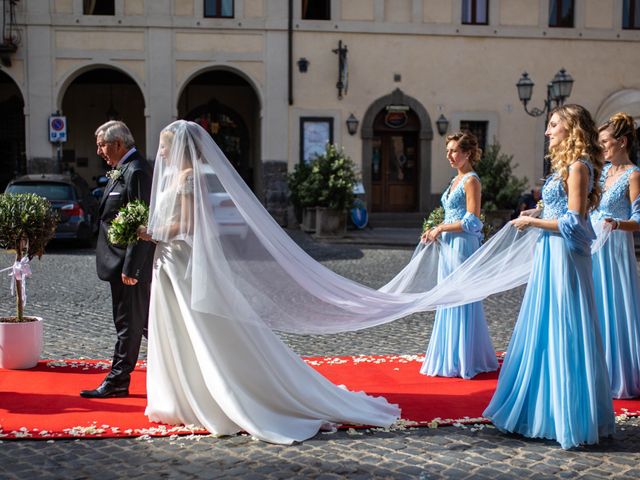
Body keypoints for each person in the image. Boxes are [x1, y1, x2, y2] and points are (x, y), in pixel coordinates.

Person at [138, 121, 400, 444]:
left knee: (197, 328)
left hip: (180, 260)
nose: (161, 151)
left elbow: (191, 223)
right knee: (176, 327)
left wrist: (155, 232)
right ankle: (181, 396)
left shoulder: (190, 178)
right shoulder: (173, 178)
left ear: (180, 147)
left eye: (165, 145)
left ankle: (215, 395)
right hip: (167, 261)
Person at [483, 104, 615, 449]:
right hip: (550, 255)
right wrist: (538, 210)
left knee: (565, 327)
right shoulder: (565, 168)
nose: (547, 131)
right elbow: (560, 210)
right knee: (546, 326)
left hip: (565, 259)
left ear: (570, 128)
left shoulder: (579, 167)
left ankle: (566, 415)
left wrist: (532, 223)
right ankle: (541, 407)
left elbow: (574, 222)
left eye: (553, 124)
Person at [80, 121, 155, 399]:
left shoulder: (136, 170)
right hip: (118, 263)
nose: (98, 151)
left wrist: (132, 266)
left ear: (119, 143)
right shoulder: (121, 169)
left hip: (128, 266)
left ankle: (117, 381)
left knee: (128, 325)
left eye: (101, 144)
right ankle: (181, 365)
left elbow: (142, 223)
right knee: (143, 325)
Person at [420, 132, 498, 379]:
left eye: (454, 151)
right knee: (448, 296)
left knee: (461, 298)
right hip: (449, 244)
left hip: (463, 245)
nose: (450, 156)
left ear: (467, 153)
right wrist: (433, 231)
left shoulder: (471, 180)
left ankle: (465, 358)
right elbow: (451, 214)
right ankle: (449, 354)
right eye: (448, 151)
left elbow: (472, 220)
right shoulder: (455, 180)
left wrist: (441, 228)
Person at [591, 112, 640, 399]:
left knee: (615, 306)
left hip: (616, 249)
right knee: (595, 305)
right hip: (594, 247)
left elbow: (639, 218)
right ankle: (597, 370)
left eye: (605, 142)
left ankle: (618, 374)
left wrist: (616, 224)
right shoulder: (601, 173)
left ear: (621, 142)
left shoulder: (634, 175)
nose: (602, 148)